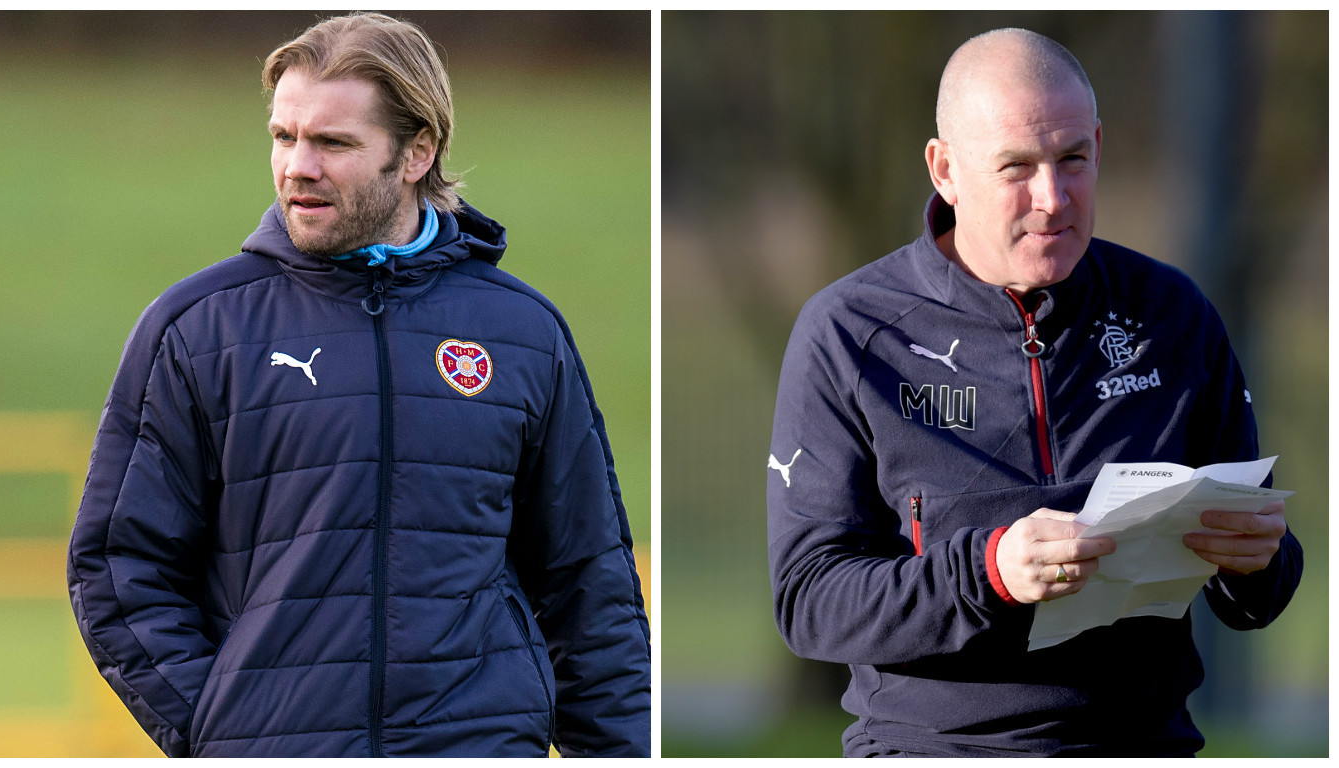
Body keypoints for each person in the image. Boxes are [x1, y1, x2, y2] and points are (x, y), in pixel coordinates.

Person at [67, 12, 649, 758]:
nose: (296, 167)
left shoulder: (523, 333)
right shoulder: (197, 329)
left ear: (417, 152)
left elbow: (589, 584)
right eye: (284, 136)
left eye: (332, 143)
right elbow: (119, 566)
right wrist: (224, 732)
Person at [767, 27, 1301, 757]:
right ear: (945, 170)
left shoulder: (1173, 315)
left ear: (1100, 147)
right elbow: (810, 603)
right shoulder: (848, 333)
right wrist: (989, 572)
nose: (1053, 199)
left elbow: (1258, 595)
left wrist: (1260, 559)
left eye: (1073, 159)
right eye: (1016, 166)